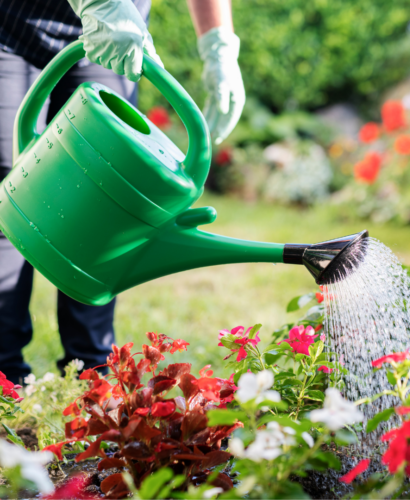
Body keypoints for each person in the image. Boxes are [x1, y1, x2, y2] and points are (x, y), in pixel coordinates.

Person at [0, 0, 245, 383]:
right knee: (7, 187)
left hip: (116, 29)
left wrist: (219, 46)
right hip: (11, 25)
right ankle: (4, 377)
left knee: (109, 193)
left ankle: (91, 375)